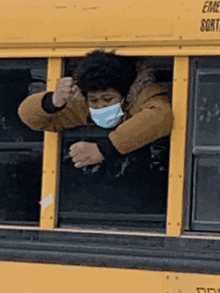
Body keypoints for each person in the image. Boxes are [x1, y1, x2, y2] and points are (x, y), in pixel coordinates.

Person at [18, 50, 173, 213]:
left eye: (108, 99)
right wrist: (53, 101)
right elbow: (29, 115)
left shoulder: (143, 97)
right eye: (94, 100)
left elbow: (161, 116)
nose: (100, 106)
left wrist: (104, 148)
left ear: (126, 95)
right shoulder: (82, 107)